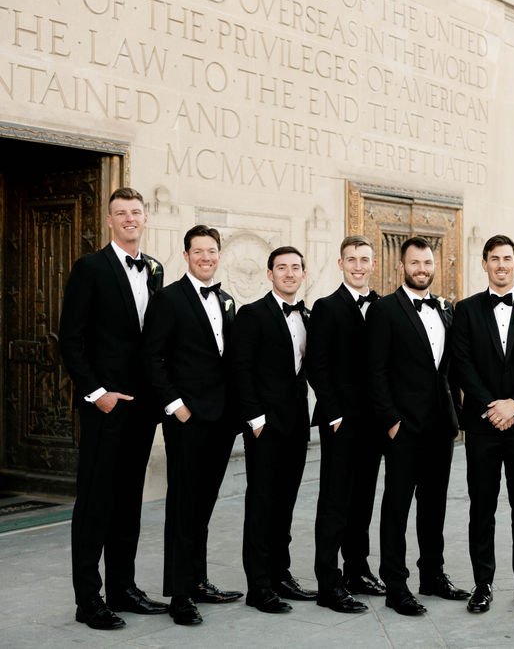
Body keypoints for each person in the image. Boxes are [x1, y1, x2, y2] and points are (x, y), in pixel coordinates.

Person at [59, 187, 167, 630]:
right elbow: (70, 339)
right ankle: (90, 600)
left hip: (142, 408)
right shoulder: (90, 268)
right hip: (105, 407)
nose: (129, 219)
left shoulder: (155, 270)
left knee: (129, 501)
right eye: (120, 213)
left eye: (135, 213)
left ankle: (123, 588)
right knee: (95, 503)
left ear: (145, 219)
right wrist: (96, 392)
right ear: (109, 221)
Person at [450, 235, 514, 614]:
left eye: (507, 258)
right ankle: (483, 583)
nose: (501, 265)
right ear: (484, 264)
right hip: (482, 425)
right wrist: (491, 406)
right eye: (494, 259)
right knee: (482, 506)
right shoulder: (465, 310)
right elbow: (461, 363)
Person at [143, 224, 242, 626]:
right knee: (183, 506)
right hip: (187, 419)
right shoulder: (168, 299)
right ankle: (180, 594)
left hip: (220, 420)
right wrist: (175, 405)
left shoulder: (227, 299)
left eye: (212, 251)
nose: (206, 257)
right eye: (198, 251)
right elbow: (151, 358)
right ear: (185, 255)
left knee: (203, 505)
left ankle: (198, 580)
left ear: (219, 255)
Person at [367, 236, 470, 616]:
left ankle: (433, 575)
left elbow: (448, 369)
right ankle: (396, 584)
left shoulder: (446, 309)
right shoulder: (385, 310)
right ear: (402, 267)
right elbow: (375, 371)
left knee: (434, 505)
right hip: (403, 428)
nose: (422, 269)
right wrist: (391, 421)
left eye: (427, 263)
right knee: (397, 507)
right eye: (415, 264)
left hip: (440, 426)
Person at [232, 247, 318, 614]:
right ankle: (259, 585)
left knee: (285, 503)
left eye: (295, 267)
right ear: (269, 274)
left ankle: (281, 574)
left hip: (297, 424)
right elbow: (241, 369)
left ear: (303, 273)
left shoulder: (308, 316)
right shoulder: (252, 315)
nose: (289, 273)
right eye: (281, 268)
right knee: (262, 503)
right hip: (264, 426)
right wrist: (255, 419)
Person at [306, 235, 383, 614]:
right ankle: (328, 582)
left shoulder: (384, 307)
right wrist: (334, 414)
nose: (357, 265)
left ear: (373, 264)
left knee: (364, 498)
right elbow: (316, 365)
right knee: (335, 502)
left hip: (374, 422)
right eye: (350, 259)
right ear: (340, 264)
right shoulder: (325, 307)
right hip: (340, 422)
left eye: (363, 259)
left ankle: (358, 569)